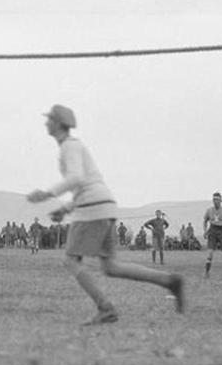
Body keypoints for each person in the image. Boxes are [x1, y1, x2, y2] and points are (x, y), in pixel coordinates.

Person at [27, 104, 185, 325]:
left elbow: (75, 178)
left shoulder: (68, 147)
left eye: (49, 119)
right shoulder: (75, 146)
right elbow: (86, 183)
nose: (46, 122)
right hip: (105, 205)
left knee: (71, 260)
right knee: (111, 266)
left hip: (92, 209)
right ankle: (169, 281)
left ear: (58, 123)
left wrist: (46, 193)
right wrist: (66, 209)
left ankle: (106, 309)